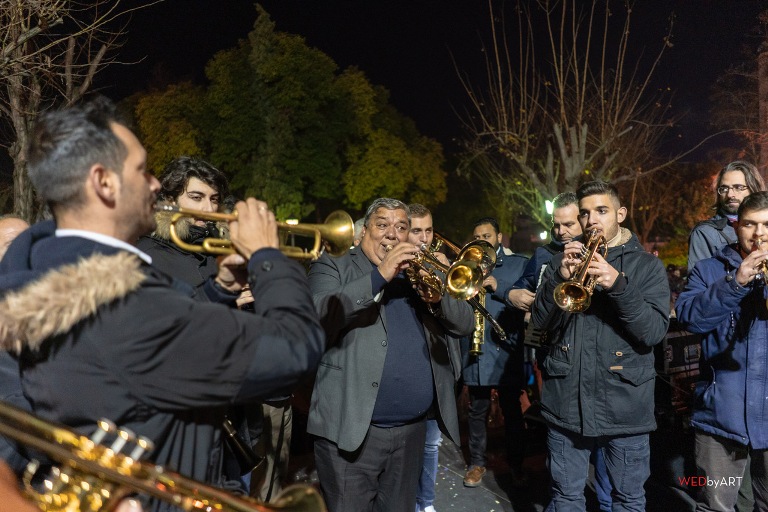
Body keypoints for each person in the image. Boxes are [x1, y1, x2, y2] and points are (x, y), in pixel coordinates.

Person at [0, 97, 324, 511]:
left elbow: (141, 369)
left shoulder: (41, 273)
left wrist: (219, 291)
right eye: (142, 170)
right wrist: (268, 256)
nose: (155, 184)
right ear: (103, 182)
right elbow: (296, 347)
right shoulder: (129, 308)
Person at [307, 198, 473, 512]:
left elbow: (464, 323)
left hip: (411, 433)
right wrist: (380, 275)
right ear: (364, 230)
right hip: (350, 432)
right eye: (382, 224)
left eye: (401, 227)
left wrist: (438, 300)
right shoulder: (335, 263)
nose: (392, 234)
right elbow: (318, 312)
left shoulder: (420, 270)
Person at [531, 180, 670, 511]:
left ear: (620, 214)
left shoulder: (647, 266)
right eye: (585, 213)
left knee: (627, 499)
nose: (591, 220)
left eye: (602, 211)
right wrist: (557, 280)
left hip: (624, 407)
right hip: (566, 403)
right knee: (565, 497)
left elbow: (652, 332)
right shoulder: (560, 261)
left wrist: (618, 286)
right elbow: (538, 327)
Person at [506, 193, 613, 512]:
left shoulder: (601, 250)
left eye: (568, 224)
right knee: (559, 433)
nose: (561, 231)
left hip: (591, 353)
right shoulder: (543, 254)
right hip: (550, 348)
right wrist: (512, 294)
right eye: (556, 225)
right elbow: (521, 285)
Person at [675, 191, 768, 511]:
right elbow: (690, 319)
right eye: (750, 224)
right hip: (720, 415)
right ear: (737, 227)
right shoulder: (709, 269)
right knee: (716, 506)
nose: (759, 234)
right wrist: (735, 282)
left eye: (767, 225)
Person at [460, 217, 529, 488]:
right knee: (477, 410)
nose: (481, 241)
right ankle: (477, 462)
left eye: (487, 236)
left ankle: (516, 464)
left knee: (512, 410)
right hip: (476, 349)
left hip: (505, 348)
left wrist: (496, 284)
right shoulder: (466, 264)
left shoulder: (517, 264)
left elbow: (525, 300)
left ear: (499, 237)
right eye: (477, 236)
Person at [407, 203, 459, 512]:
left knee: (429, 446)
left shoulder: (441, 265)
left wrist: (441, 282)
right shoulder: (393, 268)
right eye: (417, 231)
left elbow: (462, 323)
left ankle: (425, 503)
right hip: (403, 375)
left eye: (428, 230)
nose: (424, 238)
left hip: (433, 371)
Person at [688, 160, 765, 272]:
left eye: (738, 187)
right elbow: (699, 280)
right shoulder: (705, 232)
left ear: (754, 188)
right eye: (724, 188)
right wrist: (736, 279)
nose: (730, 194)